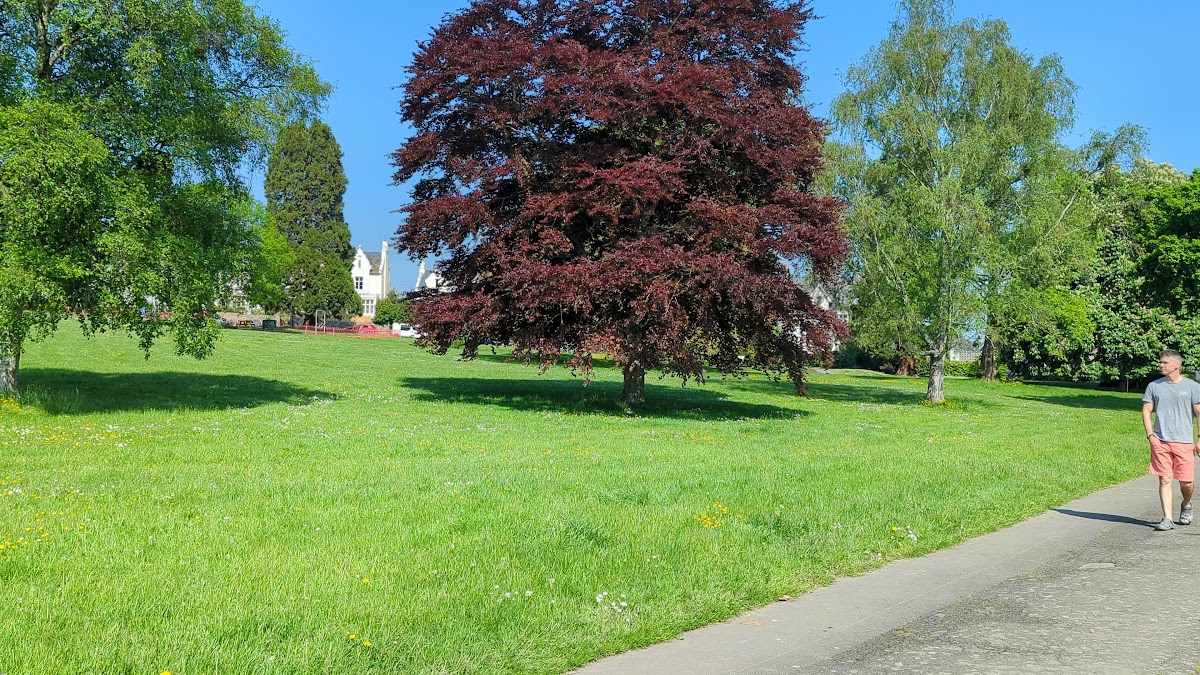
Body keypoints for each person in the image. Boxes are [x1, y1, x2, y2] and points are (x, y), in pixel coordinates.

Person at [1142, 350, 1200, 531]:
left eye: (1165, 363)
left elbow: (1199, 414)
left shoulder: (1192, 387)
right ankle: (1167, 518)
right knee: (1165, 480)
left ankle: (1187, 504)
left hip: (1184, 441)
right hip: (1161, 441)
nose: (1161, 365)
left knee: (1186, 482)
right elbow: (1146, 410)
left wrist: (1199, 438)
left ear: (1177, 365)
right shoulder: (1154, 386)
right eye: (1161, 362)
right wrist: (1151, 435)